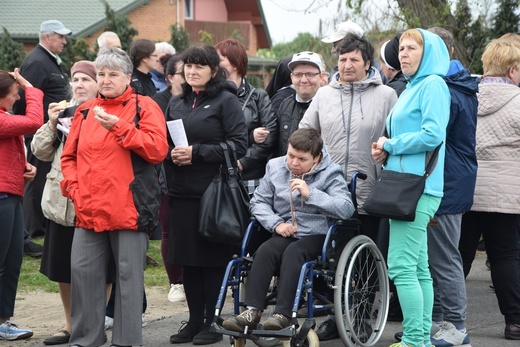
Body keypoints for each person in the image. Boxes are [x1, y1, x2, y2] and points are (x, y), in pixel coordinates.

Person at [60, 47, 168, 347]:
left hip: (129, 209)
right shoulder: (83, 111)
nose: (106, 80)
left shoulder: (144, 107)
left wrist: (120, 127)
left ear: (128, 78)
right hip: (88, 209)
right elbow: (68, 158)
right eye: (102, 74)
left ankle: (126, 342)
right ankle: (84, 340)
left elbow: (157, 149)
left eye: (113, 74)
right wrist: (73, 188)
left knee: (128, 282)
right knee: (83, 277)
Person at [299, 33, 397, 340]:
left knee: (366, 261)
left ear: (368, 63)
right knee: (331, 259)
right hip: (330, 190)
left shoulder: (386, 96)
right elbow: (305, 132)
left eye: (354, 59)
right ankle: (334, 317)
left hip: (371, 190)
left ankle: (362, 316)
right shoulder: (325, 94)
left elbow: (397, 137)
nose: (347, 64)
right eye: (342, 59)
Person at [222, 127, 355, 331]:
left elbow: (346, 209)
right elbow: (258, 202)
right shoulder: (275, 167)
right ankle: (252, 311)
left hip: (317, 233)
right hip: (286, 229)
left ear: (317, 158)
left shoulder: (331, 173)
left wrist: (311, 194)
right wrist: (276, 224)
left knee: (295, 252)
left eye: (301, 159)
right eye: (291, 155)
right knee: (265, 251)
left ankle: (282, 314)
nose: (293, 162)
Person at [371, 28, 450, 347]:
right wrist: (385, 149)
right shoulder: (414, 86)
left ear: (428, 52)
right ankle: (419, 339)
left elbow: (433, 134)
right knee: (417, 268)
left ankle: (416, 340)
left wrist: (393, 143)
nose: (403, 54)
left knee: (402, 267)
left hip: (417, 188)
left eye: (412, 48)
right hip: (408, 186)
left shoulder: (432, 84)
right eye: (401, 48)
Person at [166, 44, 248, 345]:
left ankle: (213, 323)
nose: (192, 71)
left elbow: (239, 145)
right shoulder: (176, 102)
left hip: (213, 194)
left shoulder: (226, 101)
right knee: (188, 261)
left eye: (200, 66)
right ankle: (194, 321)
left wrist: (197, 153)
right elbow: (163, 140)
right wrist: (171, 154)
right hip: (181, 192)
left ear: (214, 71)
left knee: (211, 260)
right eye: (188, 65)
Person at [30, 61, 101, 345]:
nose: (79, 84)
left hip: (97, 203)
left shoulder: (106, 111)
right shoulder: (64, 110)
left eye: (86, 79)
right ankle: (70, 324)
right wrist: (50, 124)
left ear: (99, 84)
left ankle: (93, 324)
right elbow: (40, 152)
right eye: (75, 79)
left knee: (100, 270)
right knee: (63, 267)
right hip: (63, 204)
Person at [458, 37, 520, 341]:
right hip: (505, 194)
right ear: (511, 70)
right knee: (506, 256)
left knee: (458, 256)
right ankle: (515, 322)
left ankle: (445, 318)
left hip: (466, 190)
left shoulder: (466, 97)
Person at [421, 26, 477, 347]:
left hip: (445, 183)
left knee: (443, 258)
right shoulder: (458, 83)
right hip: (452, 180)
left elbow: (433, 140)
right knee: (434, 257)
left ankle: (456, 328)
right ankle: (437, 323)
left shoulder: (444, 88)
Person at [13, 20, 71, 256]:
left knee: (44, 177)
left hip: (52, 130)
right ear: (48, 36)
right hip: (38, 132)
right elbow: (26, 100)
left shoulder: (48, 60)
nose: (65, 42)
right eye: (61, 37)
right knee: (37, 180)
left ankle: (39, 227)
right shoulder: (37, 62)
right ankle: (33, 229)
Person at [0, 68, 42, 341]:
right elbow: (35, 120)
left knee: (13, 260)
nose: (17, 98)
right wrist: (31, 88)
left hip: (11, 193)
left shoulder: (5, 116)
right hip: (2, 195)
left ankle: (3, 321)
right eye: (15, 94)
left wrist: (24, 166)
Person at [215, 38, 278, 195]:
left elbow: (269, 136)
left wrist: (243, 162)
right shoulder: (211, 97)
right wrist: (250, 136)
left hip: (250, 176)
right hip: (216, 175)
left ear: (235, 64)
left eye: (219, 60)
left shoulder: (258, 96)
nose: (214, 64)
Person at [153, 53, 187, 303]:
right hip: (164, 173)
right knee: (169, 229)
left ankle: (192, 278)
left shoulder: (196, 100)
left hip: (193, 170)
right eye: (184, 73)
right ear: (170, 77)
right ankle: (176, 282)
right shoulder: (158, 102)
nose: (190, 77)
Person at [276, 51, 324, 157]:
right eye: (298, 75)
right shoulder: (284, 106)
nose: (303, 80)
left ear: (321, 77)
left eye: (310, 74)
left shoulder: (330, 106)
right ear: (291, 77)